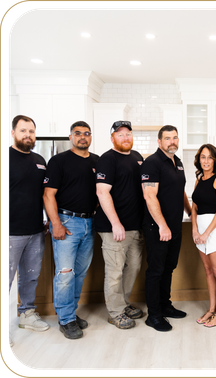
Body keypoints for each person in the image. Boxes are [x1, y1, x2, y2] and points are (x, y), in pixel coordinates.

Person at [43, 121, 99, 340]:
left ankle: (70, 314)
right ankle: (65, 319)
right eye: (78, 134)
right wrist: (56, 223)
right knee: (65, 274)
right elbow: (48, 195)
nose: (83, 137)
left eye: (86, 134)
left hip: (90, 223)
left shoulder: (97, 161)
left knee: (80, 272)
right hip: (67, 223)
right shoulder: (59, 161)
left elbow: (99, 193)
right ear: (70, 137)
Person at [141, 125, 192, 332]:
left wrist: (190, 212)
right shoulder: (152, 163)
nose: (172, 141)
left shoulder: (177, 163)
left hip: (175, 226)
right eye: (168, 138)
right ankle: (153, 315)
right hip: (157, 227)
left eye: (175, 138)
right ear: (159, 141)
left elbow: (180, 191)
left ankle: (165, 305)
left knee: (169, 267)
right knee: (155, 271)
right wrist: (162, 225)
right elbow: (149, 196)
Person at [95, 120, 144, 330]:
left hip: (135, 226)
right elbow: (102, 192)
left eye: (128, 133)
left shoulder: (137, 157)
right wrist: (116, 223)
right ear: (113, 138)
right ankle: (115, 313)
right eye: (120, 134)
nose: (125, 137)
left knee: (133, 267)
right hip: (114, 227)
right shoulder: (107, 159)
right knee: (114, 272)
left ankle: (122, 304)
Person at [8, 115, 50, 346]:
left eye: (31, 131)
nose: (28, 135)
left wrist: (47, 219)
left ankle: (26, 314)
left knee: (30, 276)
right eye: (23, 130)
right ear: (13, 132)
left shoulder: (40, 160)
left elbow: (45, 194)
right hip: (10, 232)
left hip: (35, 230)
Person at [191, 144, 216, 327]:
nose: (206, 161)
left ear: (215, 160)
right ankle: (211, 309)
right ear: (199, 159)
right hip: (200, 232)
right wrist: (194, 230)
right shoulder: (199, 179)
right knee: (208, 271)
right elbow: (194, 206)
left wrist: (206, 233)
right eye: (203, 157)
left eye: (209, 157)